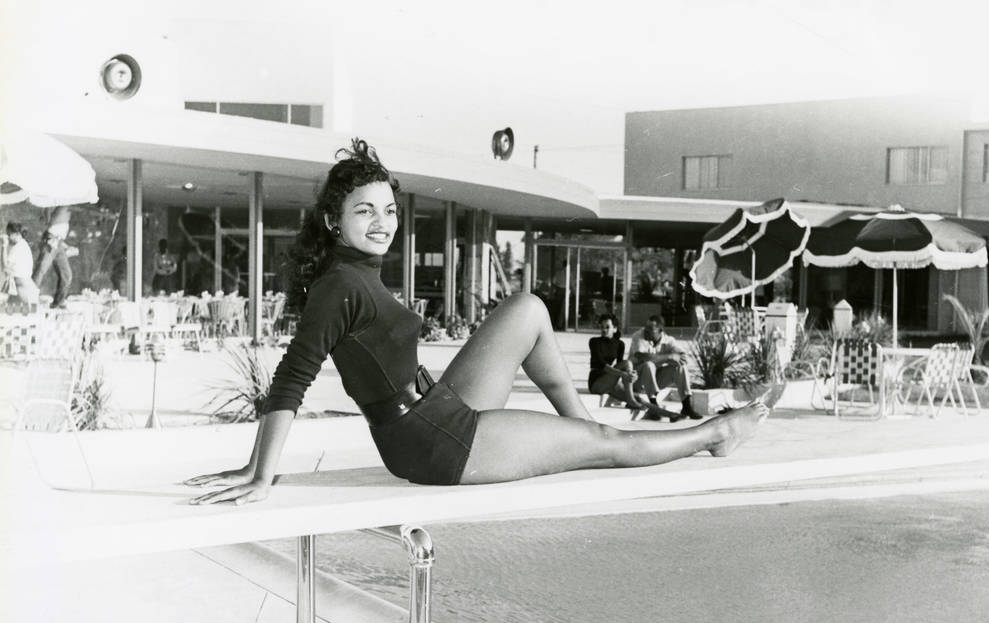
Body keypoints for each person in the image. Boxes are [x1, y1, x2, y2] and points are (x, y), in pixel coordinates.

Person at [187, 139, 766, 505]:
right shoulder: (338, 286)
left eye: (389, 209)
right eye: (365, 211)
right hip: (433, 444)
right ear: (335, 222)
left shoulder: (356, 272)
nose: (382, 222)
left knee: (528, 309)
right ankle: (714, 434)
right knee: (606, 440)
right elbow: (292, 379)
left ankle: (584, 436)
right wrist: (259, 473)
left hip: (438, 410)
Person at [628, 315, 703, 420]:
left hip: (654, 381)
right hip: (637, 381)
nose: (646, 331)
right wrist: (669, 357)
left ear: (660, 330)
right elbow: (642, 357)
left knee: (680, 367)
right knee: (649, 365)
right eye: (646, 327)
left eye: (651, 329)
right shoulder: (638, 336)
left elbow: (683, 357)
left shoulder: (668, 340)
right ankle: (654, 405)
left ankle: (686, 406)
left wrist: (674, 357)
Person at [587, 313, 647, 410]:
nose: (604, 330)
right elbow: (602, 365)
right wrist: (624, 374)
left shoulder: (620, 344)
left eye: (607, 327)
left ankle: (669, 414)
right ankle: (631, 401)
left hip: (611, 380)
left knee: (639, 399)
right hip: (597, 383)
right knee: (627, 363)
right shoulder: (594, 342)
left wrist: (631, 374)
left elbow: (619, 364)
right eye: (602, 327)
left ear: (615, 329)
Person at [33, 229, 73, 307]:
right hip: (50, 240)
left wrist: (65, 245)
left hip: (58, 243)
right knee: (40, 270)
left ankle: (58, 303)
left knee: (67, 275)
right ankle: (28, 299)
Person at [3, 222, 40, 304]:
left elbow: (5, 267)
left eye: (9, 234)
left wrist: (4, 246)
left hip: (22, 288)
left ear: (17, 234)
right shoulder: (23, 244)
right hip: (27, 287)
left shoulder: (17, 248)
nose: (8, 236)